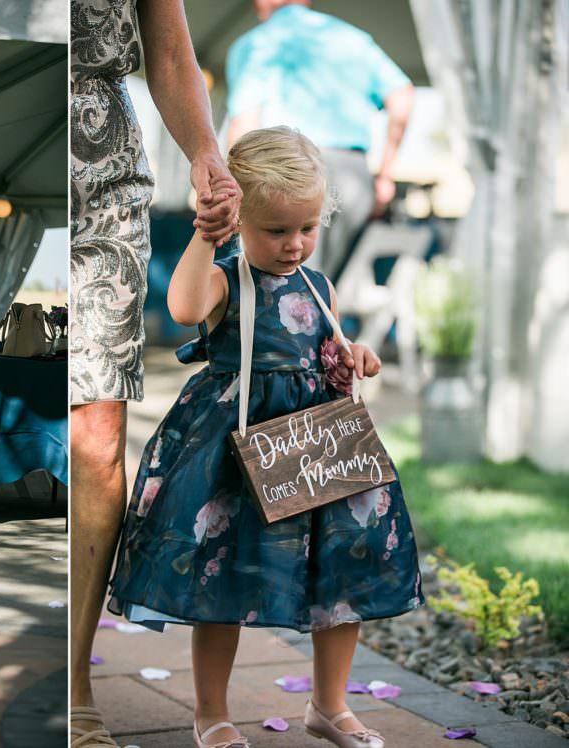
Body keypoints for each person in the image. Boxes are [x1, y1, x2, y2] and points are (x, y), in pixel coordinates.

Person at [108, 127, 423, 748]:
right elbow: (184, 308)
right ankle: (211, 713)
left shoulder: (318, 285)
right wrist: (207, 234)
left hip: (316, 448)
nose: (296, 244)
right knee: (217, 577)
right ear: (241, 218)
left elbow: (326, 346)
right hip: (237, 448)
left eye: (307, 227)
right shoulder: (226, 278)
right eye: (278, 230)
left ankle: (329, 706)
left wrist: (354, 354)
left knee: (340, 570)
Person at [70, 1, 242, 744]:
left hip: (102, 181)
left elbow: (168, 50)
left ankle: (72, 677)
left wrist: (206, 152)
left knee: (98, 432)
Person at [225, 0, 414, 281]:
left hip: (285, 174)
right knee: (321, 285)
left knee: (286, 287)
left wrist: (232, 189)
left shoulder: (256, 44)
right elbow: (402, 97)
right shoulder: (352, 39)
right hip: (354, 177)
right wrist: (385, 174)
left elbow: (244, 124)